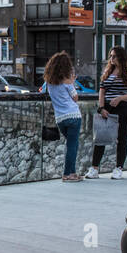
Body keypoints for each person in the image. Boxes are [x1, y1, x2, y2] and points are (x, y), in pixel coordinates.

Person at [87, 46, 127, 180]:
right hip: (107, 107)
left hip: (123, 107)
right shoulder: (108, 72)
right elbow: (102, 91)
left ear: (121, 57)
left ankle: (118, 168)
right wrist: (101, 107)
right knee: (100, 137)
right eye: (110, 56)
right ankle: (94, 168)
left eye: (114, 56)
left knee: (121, 137)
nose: (111, 59)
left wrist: (120, 98)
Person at [40, 51, 83, 181]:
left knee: (71, 145)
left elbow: (42, 90)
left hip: (60, 119)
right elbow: (75, 98)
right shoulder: (67, 81)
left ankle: (72, 172)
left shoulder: (49, 82)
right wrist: (72, 82)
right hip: (73, 116)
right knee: (72, 145)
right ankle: (67, 174)